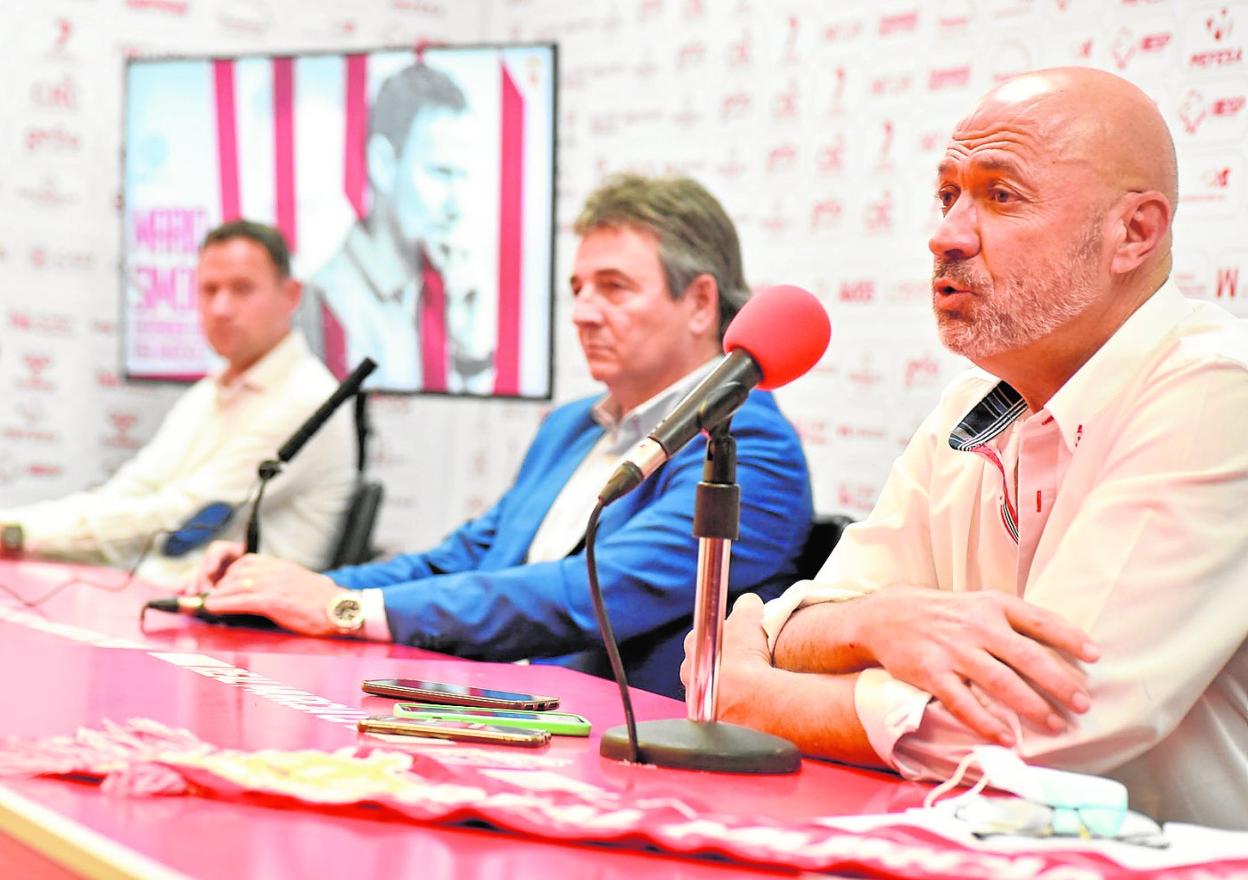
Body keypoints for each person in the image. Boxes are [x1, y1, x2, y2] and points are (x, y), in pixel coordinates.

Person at [695, 67, 1248, 829]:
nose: (946, 235)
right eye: (948, 194)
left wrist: (759, 698)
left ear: (1134, 234)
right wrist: (877, 622)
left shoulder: (1218, 390)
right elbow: (804, 619)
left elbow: (1042, 727)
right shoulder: (974, 402)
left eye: (1001, 196)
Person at [187, 174, 814, 698]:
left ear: (700, 303)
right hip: (488, 709)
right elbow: (462, 558)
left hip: (609, 748)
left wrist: (341, 611)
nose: (582, 313)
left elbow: (588, 594)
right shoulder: (572, 428)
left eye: (614, 288)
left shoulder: (751, 448)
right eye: (578, 289)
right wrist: (286, 587)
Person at [0, 221, 356, 586]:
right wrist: (14, 528)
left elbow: (180, 518)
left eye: (242, 289)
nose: (221, 307)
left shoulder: (309, 398)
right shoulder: (210, 390)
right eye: (209, 290)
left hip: (229, 614)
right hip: (158, 593)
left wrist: (20, 534)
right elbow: (128, 492)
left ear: (292, 295)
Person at [300, 60, 479, 393]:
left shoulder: (439, 289)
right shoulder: (330, 298)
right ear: (382, 164)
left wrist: (471, 350)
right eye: (441, 173)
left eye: (463, 176)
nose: (456, 205)